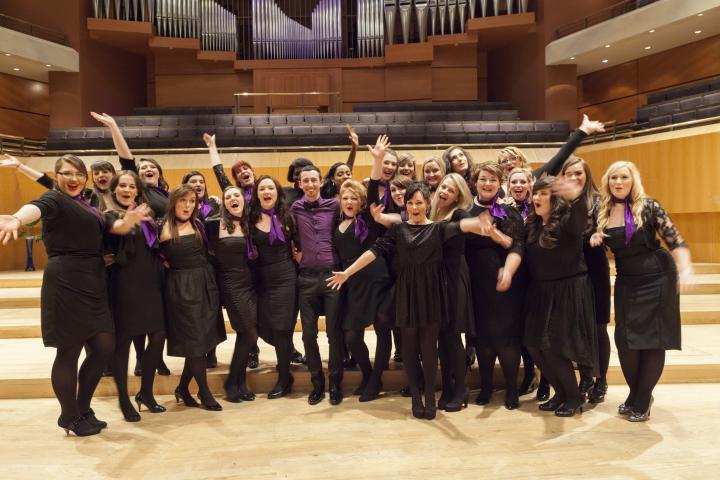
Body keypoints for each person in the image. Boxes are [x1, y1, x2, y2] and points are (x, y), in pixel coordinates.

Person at [327, 182, 488, 420]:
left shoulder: (438, 228)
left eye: (419, 202)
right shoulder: (398, 229)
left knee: (429, 348)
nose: (414, 207)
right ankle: (415, 396)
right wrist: (347, 272)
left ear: (427, 203)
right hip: (407, 293)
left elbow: (460, 226)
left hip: (433, 294)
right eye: (410, 202)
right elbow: (374, 251)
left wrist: (478, 223)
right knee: (411, 349)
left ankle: (431, 399)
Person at [0, 155, 115, 436]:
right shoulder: (54, 199)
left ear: (85, 178)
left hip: (93, 280)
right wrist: (16, 218)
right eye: (66, 174)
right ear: (57, 176)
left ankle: (82, 408)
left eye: (78, 174)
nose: (73, 179)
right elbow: (37, 207)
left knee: (103, 347)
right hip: (66, 280)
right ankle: (70, 416)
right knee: (69, 351)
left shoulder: (83, 201)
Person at [592, 161, 693, 422]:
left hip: (658, 278)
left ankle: (641, 397)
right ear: (607, 182)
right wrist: (595, 238)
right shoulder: (601, 210)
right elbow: (596, 239)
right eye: (613, 177)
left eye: (624, 177)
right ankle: (638, 393)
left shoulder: (648, 206)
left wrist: (685, 270)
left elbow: (675, 240)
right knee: (625, 342)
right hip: (627, 281)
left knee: (652, 340)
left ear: (632, 180)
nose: (618, 182)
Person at [91, 112, 172, 377]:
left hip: (158, 258)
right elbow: (127, 159)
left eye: (152, 167)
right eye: (143, 167)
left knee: (157, 317)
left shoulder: (165, 196)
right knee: (138, 316)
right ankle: (140, 358)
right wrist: (115, 127)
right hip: (135, 254)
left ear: (159, 173)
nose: (147, 170)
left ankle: (154, 358)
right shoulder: (140, 192)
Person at [523, 176, 599, 417]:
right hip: (541, 291)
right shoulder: (532, 224)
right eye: (535, 193)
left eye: (543, 194)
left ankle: (574, 397)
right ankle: (561, 392)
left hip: (568, 290)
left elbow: (580, 215)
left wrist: (575, 196)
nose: (536, 198)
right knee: (534, 345)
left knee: (554, 348)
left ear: (555, 199)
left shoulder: (567, 222)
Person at [104, 171, 166, 421]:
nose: (126, 189)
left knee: (158, 335)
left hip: (151, 283)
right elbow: (118, 228)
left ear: (137, 191)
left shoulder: (147, 217)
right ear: (114, 190)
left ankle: (146, 393)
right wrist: (129, 221)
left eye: (131, 186)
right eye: (122, 186)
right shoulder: (109, 216)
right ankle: (123, 399)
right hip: (125, 285)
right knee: (124, 344)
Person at [160, 185, 225, 411]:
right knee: (195, 343)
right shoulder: (162, 228)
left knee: (202, 342)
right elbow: (152, 259)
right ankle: (205, 393)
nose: (187, 206)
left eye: (192, 201)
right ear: (173, 203)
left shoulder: (197, 224)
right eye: (182, 201)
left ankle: (183, 388)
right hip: (182, 290)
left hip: (205, 285)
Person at [465, 162, 525, 409]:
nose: (487, 184)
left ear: (499, 184)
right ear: (475, 183)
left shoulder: (508, 212)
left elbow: (519, 244)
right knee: (483, 339)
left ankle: (511, 389)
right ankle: (487, 386)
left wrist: (495, 235)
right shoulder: (465, 210)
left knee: (506, 339)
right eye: (483, 179)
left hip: (504, 281)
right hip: (475, 284)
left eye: (492, 180)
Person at [332, 180, 393, 401]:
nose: (349, 201)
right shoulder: (337, 223)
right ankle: (367, 373)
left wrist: (377, 161)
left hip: (377, 278)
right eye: (345, 197)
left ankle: (376, 380)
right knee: (351, 334)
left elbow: (373, 187)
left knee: (382, 328)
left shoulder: (367, 219)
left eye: (354, 198)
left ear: (361, 202)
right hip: (353, 282)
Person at [559, 156, 612, 403]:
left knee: (598, 327)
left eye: (578, 173)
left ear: (586, 175)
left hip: (594, 264)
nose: (573, 178)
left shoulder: (600, 200)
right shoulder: (559, 201)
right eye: (568, 173)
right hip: (569, 267)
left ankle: (601, 380)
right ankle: (586, 378)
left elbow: (609, 228)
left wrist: (601, 234)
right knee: (577, 326)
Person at [292, 166, 345, 406]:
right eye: (306, 181)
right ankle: (316, 383)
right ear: (300, 184)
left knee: (334, 334)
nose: (311, 185)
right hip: (306, 278)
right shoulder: (294, 209)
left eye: (314, 180)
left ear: (321, 182)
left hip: (332, 276)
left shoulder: (334, 206)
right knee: (309, 335)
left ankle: (335, 383)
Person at [205, 185, 258, 403]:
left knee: (249, 335)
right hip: (229, 284)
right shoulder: (214, 224)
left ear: (243, 200)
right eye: (228, 197)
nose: (233, 199)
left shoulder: (249, 224)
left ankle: (238, 381)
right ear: (224, 203)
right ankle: (231, 382)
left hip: (250, 284)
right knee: (248, 333)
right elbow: (207, 256)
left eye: (237, 195)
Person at [428, 173, 476, 412]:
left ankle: (461, 389)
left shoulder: (460, 214)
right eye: (443, 187)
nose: (444, 191)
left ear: (459, 196)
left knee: (453, 336)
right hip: (436, 280)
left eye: (451, 190)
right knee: (441, 338)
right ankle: (447, 387)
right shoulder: (431, 213)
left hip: (454, 277)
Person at [249, 176, 298, 399]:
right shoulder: (250, 219)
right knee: (261, 326)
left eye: (271, 188)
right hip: (261, 279)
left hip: (286, 277)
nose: (267, 191)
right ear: (257, 194)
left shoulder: (288, 217)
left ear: (277, 193)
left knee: (281, 328)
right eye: (262, 188)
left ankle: (284, 376)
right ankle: (287, 358)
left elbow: (300, 245)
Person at [319, 125, 359, 199]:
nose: (345, 177)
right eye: (340, 175)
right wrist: (354, 149)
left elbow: (348, 167)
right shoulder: (326, 198)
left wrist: (354, 148)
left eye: (348, 174)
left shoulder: (357, 194)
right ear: (332, 179)